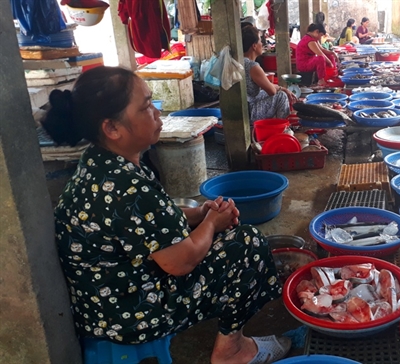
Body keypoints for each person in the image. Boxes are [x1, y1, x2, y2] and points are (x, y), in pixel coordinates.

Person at [42, 66, 291, 364]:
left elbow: (149, 223)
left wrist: (200, 213)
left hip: (105, 302)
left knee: (226, 234)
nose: (157, 114)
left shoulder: (101, 162)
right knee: (246, 244)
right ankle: (232, 351)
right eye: (146, 106)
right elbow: (180, 262)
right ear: (112, 128)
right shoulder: (127, 185)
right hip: (128, 314)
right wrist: (212, 222)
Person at [242, 26, 296, 122]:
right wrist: (282, 90)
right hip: (249, 112)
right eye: (260, 41)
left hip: (243, 106)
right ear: (254, 46)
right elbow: (272, 91)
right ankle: (282, 128)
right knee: (281, 96)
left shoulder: (240, 61)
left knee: (268, 92)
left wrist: (282, 88)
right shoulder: (252, 66)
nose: (262, 43)